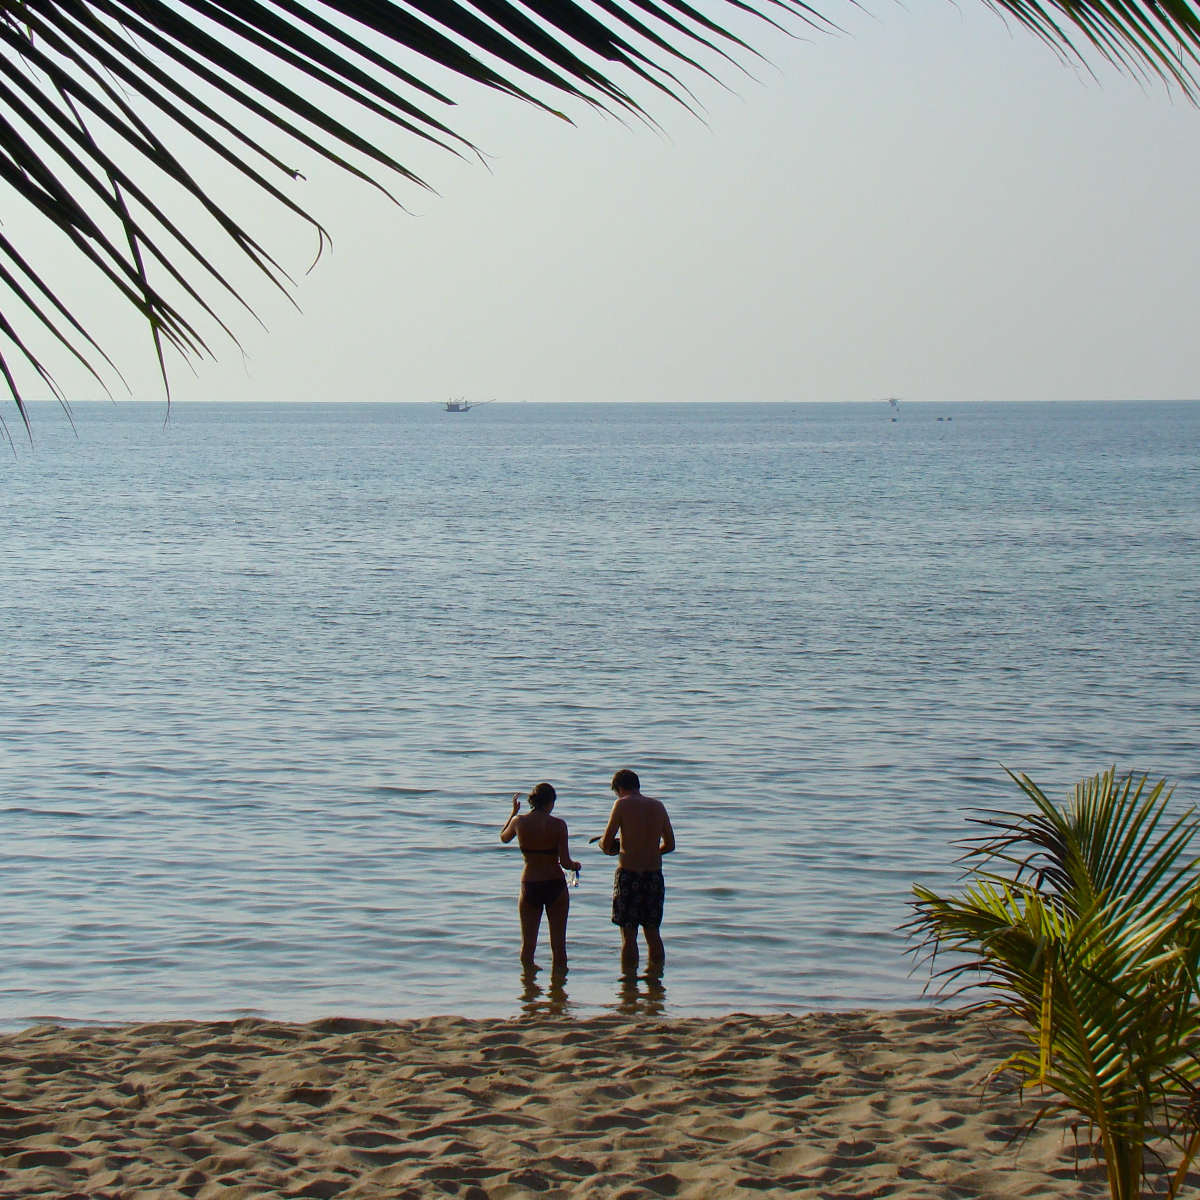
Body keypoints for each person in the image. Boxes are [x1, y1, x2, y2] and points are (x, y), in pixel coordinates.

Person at [500, 782, 581, 974]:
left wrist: (512, 813)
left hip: (530, 884)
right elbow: (566, 862)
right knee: (558, 945)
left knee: (528, 946)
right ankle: (559, 991)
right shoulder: (559, 825)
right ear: (551, 802)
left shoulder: (519, 822)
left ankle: (529, 992)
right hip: (555, 884)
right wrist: (576, 866)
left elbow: (503, 838)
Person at [599, 768, 675, 970]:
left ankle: (628, 988)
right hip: (654, 876)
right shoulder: (658, 806)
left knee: (629, 935)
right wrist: (648, 850)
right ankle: (655, 984)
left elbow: (607, 844)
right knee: (653, 933)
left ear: (619, 788)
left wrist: (606, 846)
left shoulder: (621, 804)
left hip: (629, 875)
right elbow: (670, 845)